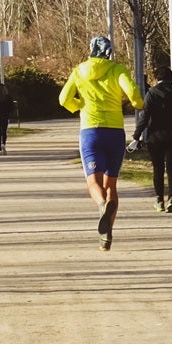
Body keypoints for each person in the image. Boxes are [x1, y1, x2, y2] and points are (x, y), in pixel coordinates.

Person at [58, 36, 144, 251]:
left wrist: (79, 105)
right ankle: (106, 238)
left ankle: (101, 205)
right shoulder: (117, 69)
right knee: (111, 185)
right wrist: (137, 103)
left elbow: (63, 99)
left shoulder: (79, 71)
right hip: (115, 131)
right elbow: (133, 93)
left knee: (92, 182)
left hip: (90, 131)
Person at [132, 66, 172, 214]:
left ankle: (159, 201)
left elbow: (145, 115)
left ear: (157, 79)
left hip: (155, 137)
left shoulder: (152, 93)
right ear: (171, 78)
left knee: (158, 169)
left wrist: (137, 135)